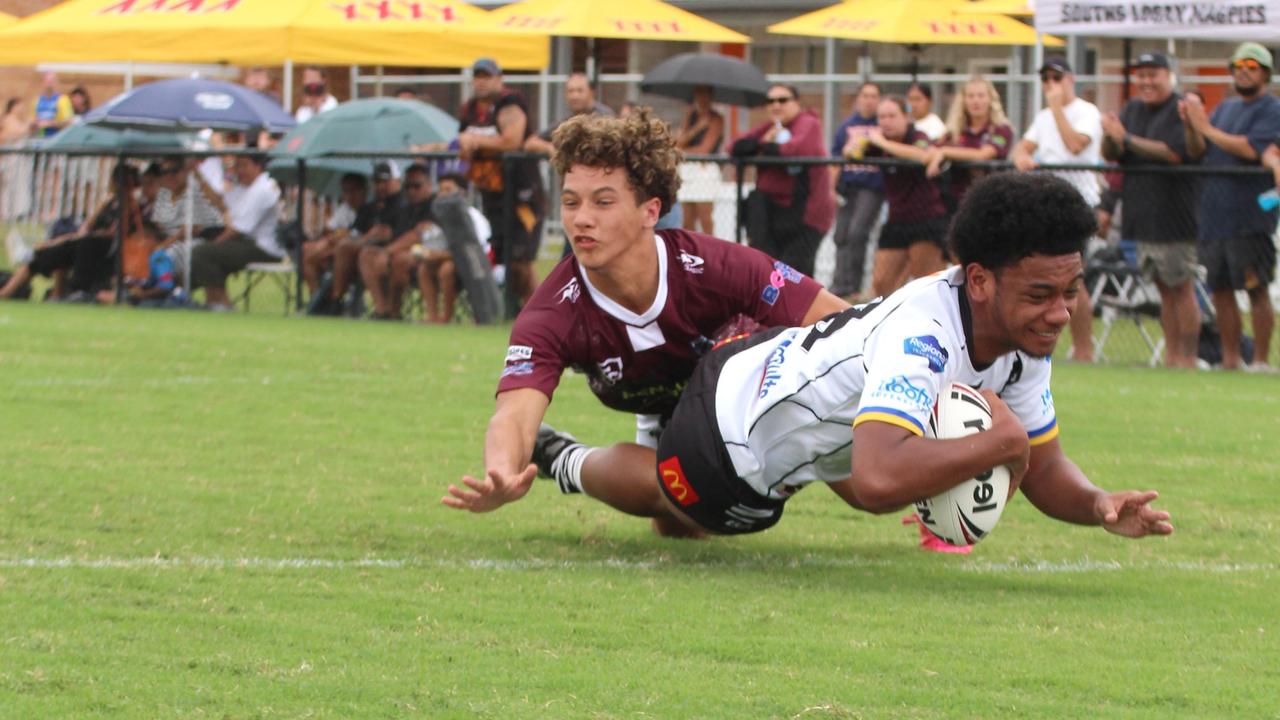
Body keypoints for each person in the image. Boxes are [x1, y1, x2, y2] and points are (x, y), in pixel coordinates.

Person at [446, 172, 1175, 545]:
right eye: (1044, 294)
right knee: (688, 520)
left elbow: (1040, 465)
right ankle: (567, 460)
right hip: (732, 426)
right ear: (979, 280)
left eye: (1071, 292)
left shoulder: (1020, 332)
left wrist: (1097, 504)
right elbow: (886, 473)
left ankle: (664, 424)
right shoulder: (923, 332)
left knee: (855, 470)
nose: (1062, 312)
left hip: (797, 387)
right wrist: (998, 443)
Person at [441, 110, 847, 528]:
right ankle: (563, 458)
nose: (581, 218)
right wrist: (503, 472)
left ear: (650, 211)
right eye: (570, 202)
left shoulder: (713, 264)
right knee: (681, 515)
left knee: (864, 482)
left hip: (741, 389)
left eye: (603, 201)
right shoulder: (551, 312)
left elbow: (842, 322)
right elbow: (513, 414)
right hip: (659, 402)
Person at [1182, 42, 1280, 372]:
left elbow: (1252, 149)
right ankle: (1230, 359)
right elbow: (1199, 150)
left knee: (1255, 288)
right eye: (1238, 65)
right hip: (1215, 215)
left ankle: (1262, 360)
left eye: (1252, 66)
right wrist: (1192, 126)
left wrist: (1206, 127)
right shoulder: (1225, 109)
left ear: (1265, 73)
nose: (1244, 70)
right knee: (1221, 289)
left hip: (1250, 216)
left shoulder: (1271, 109)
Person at [1099, 52, 1200, 369]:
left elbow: (1173, 154)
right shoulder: (1132, 109)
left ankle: (1188, 357)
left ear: (1169, 75)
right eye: (1140, 75)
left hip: (1175, 216)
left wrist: (1126, 138)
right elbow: (1113, 153)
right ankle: (1171, 356)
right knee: (1162, 291)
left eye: (1153, 74)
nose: (1146, 81)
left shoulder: (1179, 108)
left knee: (1181, 287)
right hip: (1141, 213)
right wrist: (1112, 135)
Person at [1011, 55, 1102, 363]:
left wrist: (1056, 109)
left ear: (1070, 80)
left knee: (1076, 281)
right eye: (1046, 80)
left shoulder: (1086, 112)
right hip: (1047, 207)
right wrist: (1022, 157)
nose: (1051, 85)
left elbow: (1075, 144)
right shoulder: (1043, 116)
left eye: (1057, 79)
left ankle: (1084, 349)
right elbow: (1023, 146)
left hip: (1079, 205)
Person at [456, 58, 545, 310]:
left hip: (522, 196)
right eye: (477, 76)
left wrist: (476, 140)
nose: (481, 82)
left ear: (499, 78)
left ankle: (537, 312)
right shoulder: (470, 109)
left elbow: (512, 141)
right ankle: (516, 311)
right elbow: (461, 143)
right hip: (492, 195)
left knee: (520, 260)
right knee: (503, 258)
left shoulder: (510, 104)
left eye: (487, 76)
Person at [731, 84, 835, 278]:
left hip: (806, 214)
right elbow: (735, 147)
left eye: (783, 100)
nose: (776, 105)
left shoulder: (808, 122)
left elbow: (794, 150)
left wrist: (762, 147)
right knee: (766, 271)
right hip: (773, 213)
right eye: (770, 101)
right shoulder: (770, 128)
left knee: (793, 277)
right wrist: (763, 143)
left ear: (797, 103)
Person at [0, 164, 143, 301]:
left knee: (79, 246)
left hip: (102, 248)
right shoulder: (108, 202)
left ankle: (67, 293)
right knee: (46, 255)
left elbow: (118, 234)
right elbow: (86, 226)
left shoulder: (132, 205)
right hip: (86, 241)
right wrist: (101, 207)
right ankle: (7, 292)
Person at [857, 96, 948, 299]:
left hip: (926, 219)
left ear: (905, 117)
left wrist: (883, 143)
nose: (886, 121)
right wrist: (861, 141)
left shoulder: (917, 135)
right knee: (881, 284)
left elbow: (923, 155)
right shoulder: (880, 140)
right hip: (897, 219)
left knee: (927, 284)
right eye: (881, 117)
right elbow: (851, 152)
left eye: (892, 116)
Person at [188, 154, 282, 311]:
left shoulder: (263, 187)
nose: (239, 171)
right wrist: (198, 177)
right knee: (202, 251)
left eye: (244, 166)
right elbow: (220, 203)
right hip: (247, 242)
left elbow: (237, 230)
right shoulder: (245, 188)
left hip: (263, 247)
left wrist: (215, 244)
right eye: (237, 166)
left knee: (203, 252)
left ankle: (220, 302)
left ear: (257, 166)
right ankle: (207, 298)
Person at [315, 161, 404, 316]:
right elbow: (356, 231)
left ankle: (378, 308)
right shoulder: (371, 206)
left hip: (389, 249)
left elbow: (389, 233)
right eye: (377, 182)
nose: (381, 186)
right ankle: (329, 299)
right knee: (324, 251)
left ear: (396, 181)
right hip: (364, 248)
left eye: (385, 181)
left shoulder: (402, 204)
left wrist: (367, 237)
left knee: (354, 250)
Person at [357, 163, 435, 320]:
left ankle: (394, 309)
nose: (411, 191)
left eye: (417, 186)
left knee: (400, 259)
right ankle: (381, 309)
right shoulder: (405, 208)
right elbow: (396, 234)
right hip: (400, 250)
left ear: (429, 185)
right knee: (367, 255)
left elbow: (418, 235)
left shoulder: (435, 205)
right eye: (408, 187)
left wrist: (387, 252)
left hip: (432, 252)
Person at [829, 81, 885, 299]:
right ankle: (839, 283)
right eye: (865, 95)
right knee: (841, 234)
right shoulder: (847, 126)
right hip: (848, 185)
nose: (869, 100)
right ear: (858, 98)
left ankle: (853, 285)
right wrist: (831, 188)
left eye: (874, 96)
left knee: (857, 233)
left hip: (871, 186)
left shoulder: (882, 125)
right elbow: (835, 160)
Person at [927, 75, 1015, 208]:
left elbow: (983, 155)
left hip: (992, 200)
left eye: (981, 95)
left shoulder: (1001, 129)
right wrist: (936, 154)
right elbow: (932, 149)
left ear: (990, 99)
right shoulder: (954, 130)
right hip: (958, 201)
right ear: (963, 100)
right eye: (971, 96)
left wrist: (945, 152)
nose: (976, 101)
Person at [416, 173, 491, 324]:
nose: (443, 194)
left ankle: (446, 317)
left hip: (476, 266)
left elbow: (477, 252)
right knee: (425, 268)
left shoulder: (473, 217)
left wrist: (438, 256)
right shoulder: (440, 216)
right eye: (441, 190)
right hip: (450, 259)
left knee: (447, 269)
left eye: (448, 190)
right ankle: (432, 316)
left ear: (462, 192)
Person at [150, 156, 228, 284]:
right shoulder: (164, 194)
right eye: (164, 172)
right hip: (169, 239)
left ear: (185, 171)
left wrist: (165, 244)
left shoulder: (196, 191)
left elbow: (193, 228)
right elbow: (158, 225)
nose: (170, 176)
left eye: (174, 171)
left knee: (169, 255)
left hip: (196, 239)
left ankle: (166, 290)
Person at [301, 172, 367, 297]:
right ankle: (316, 297)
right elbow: (329, 229)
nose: (349, 196)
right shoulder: (344, 209)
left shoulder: (369, 209)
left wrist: (336, 238)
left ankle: (329, 299)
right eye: (345, 191)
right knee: (306, 250)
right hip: (335, 249)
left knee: (318, 253)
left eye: (353, 190)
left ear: (363, 191)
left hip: (354, 253)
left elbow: (359, 235)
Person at [674, 85, 724, 237]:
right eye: (698, 94)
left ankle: (711, 251)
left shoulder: (716, 119)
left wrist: (683, 151)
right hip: (687, 169)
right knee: (687, 218)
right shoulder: (691, 117)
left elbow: (705, 149)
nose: (702, 98)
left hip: (705, 169)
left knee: (704, 217)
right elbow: (678, 142)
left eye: (705, 94)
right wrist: (697, 128)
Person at [32, 71, 73, 138]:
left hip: (57, 140)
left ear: (56, 83)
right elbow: (33, 121)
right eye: (47, 81)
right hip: (40, 140)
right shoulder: (37, 101)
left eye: (52, 81)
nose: (49, 83)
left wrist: (50, 123)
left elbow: (69, 122)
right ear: (42, 83)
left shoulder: (63, 100)